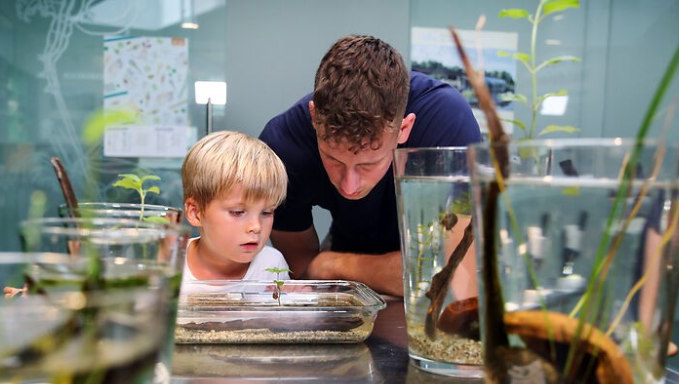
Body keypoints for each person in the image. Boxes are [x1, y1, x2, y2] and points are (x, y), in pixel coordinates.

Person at [259, 34, 481, 296]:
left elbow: (454, 271)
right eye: (333, 159)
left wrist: (332, 265)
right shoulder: (284, 146)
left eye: (368, 164)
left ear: (404, 128)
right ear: (313, 117)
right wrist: (322, 268)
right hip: (348, 253)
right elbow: (305, 272)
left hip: (368, 262)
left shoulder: (445, 124)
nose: (349, 186)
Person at [180, 130, 290, 285]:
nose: (256, 227)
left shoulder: (272, 265)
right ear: (196, 212)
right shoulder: (170, 266)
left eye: (266, 212)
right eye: (238, 212)